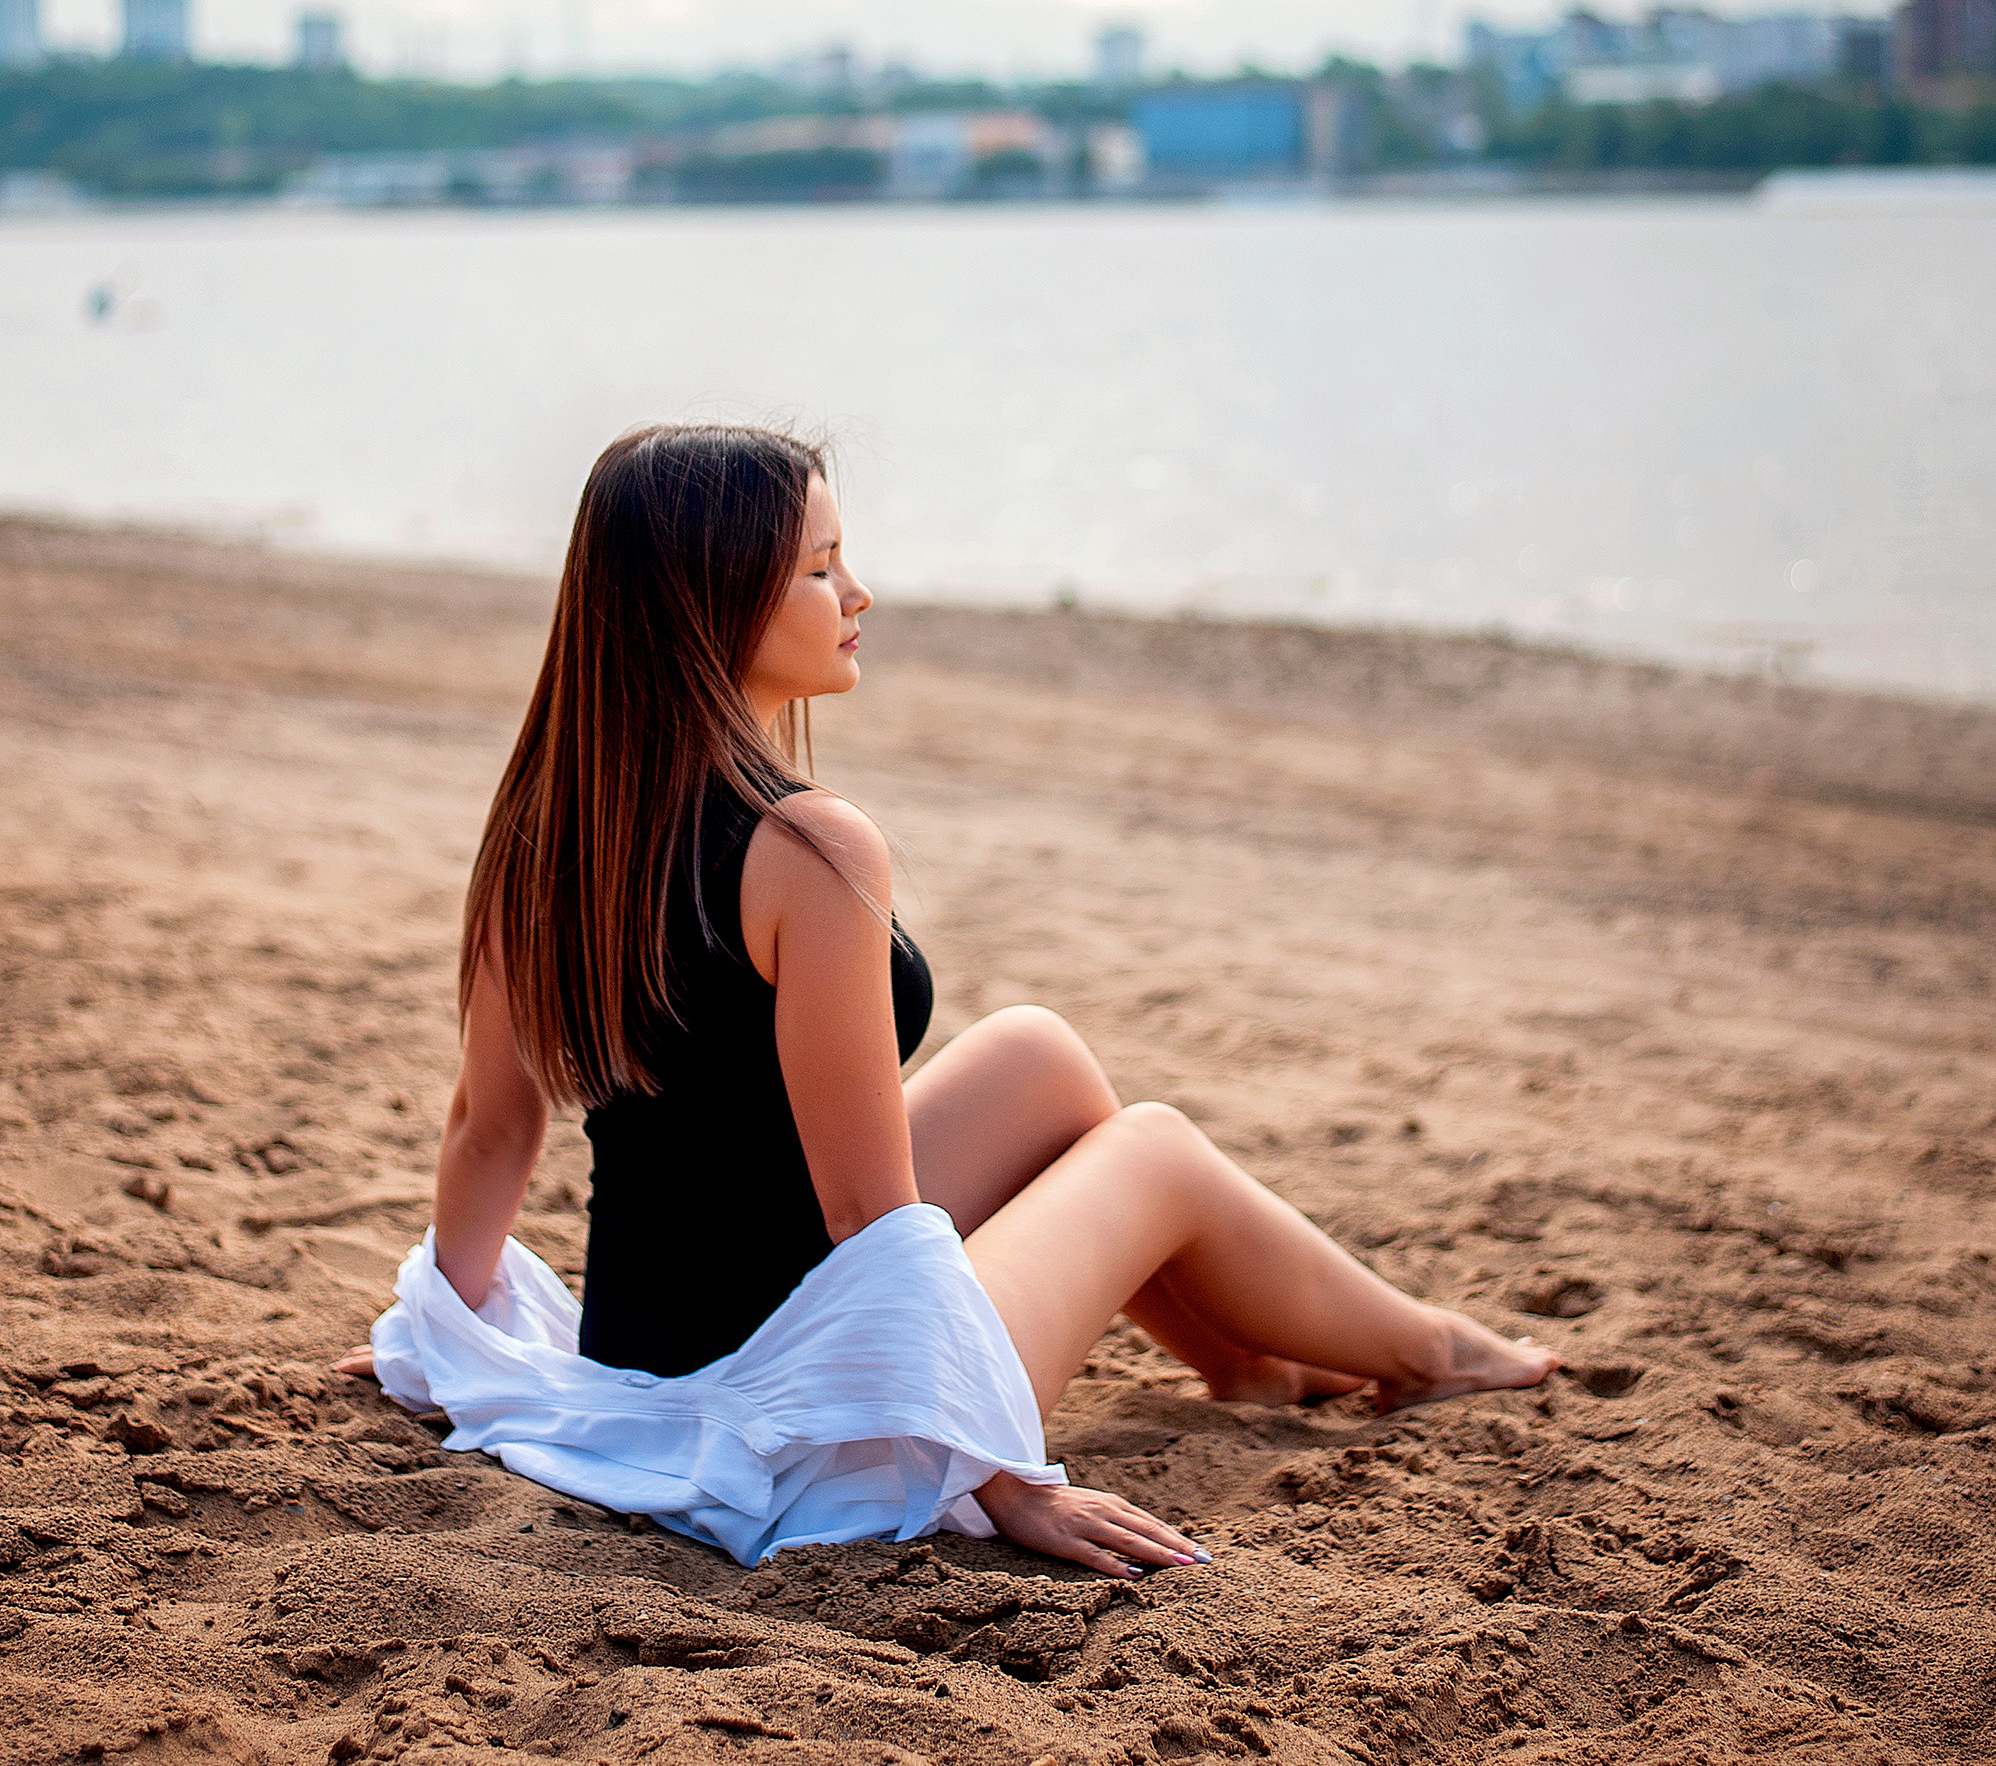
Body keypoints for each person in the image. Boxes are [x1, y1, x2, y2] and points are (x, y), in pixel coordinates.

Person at [344, 425, 1553, 1579]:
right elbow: (868, 1205)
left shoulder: (549, 831)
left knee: (1040, 1056)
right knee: (1156, 1151)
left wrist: (437, 1342)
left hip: (643, 1360)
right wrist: (1004, 1477)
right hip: (811, 1401)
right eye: (819, 568)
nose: (857, 593)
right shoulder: (808, 847)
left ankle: (1248, 1363)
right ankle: (1431, 1350)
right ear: (715, 599)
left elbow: (489, 1131)